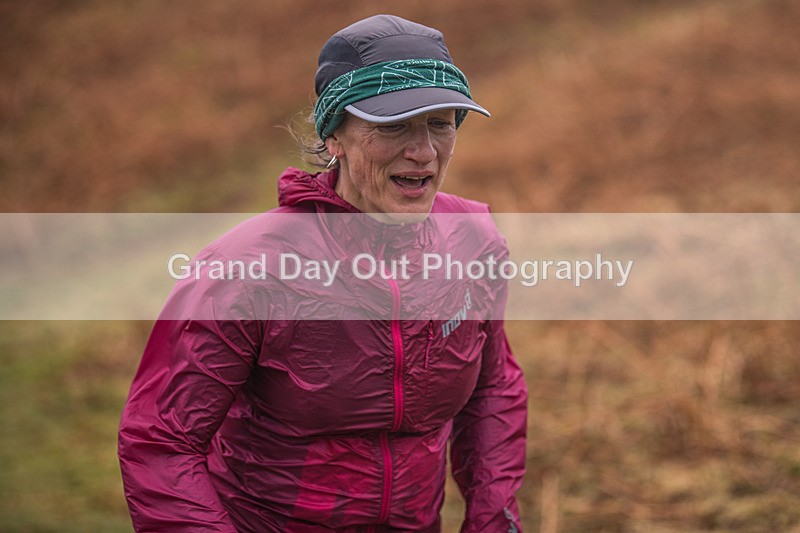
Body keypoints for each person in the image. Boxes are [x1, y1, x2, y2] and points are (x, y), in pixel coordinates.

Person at [118, 14, 527, 532]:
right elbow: (161, 440)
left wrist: (493, 520)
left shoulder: (474, 242)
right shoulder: (248, 269)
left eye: (440, 123)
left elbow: (493, 391)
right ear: (334, 135)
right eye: (394, 125)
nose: (423, 151)